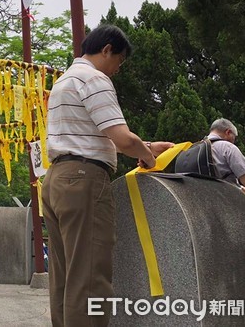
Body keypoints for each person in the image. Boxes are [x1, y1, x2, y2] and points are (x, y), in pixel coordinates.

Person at [42, 24, 174, 327]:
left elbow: (91, 133)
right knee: (89, 278)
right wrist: (148, 155)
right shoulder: (94, 78)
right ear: (106, 50)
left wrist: (148, 144)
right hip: (84, 180)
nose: (117, 69)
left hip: (57, 181)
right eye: (119, 61)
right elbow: (122, 138)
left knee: (64, 277)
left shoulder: (65, 81)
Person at [207, 118, 245, 195]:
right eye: (234, 137)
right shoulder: (227, 148)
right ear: (228, 132)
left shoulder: (193, 148)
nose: (233, 141)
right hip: (223, 201)